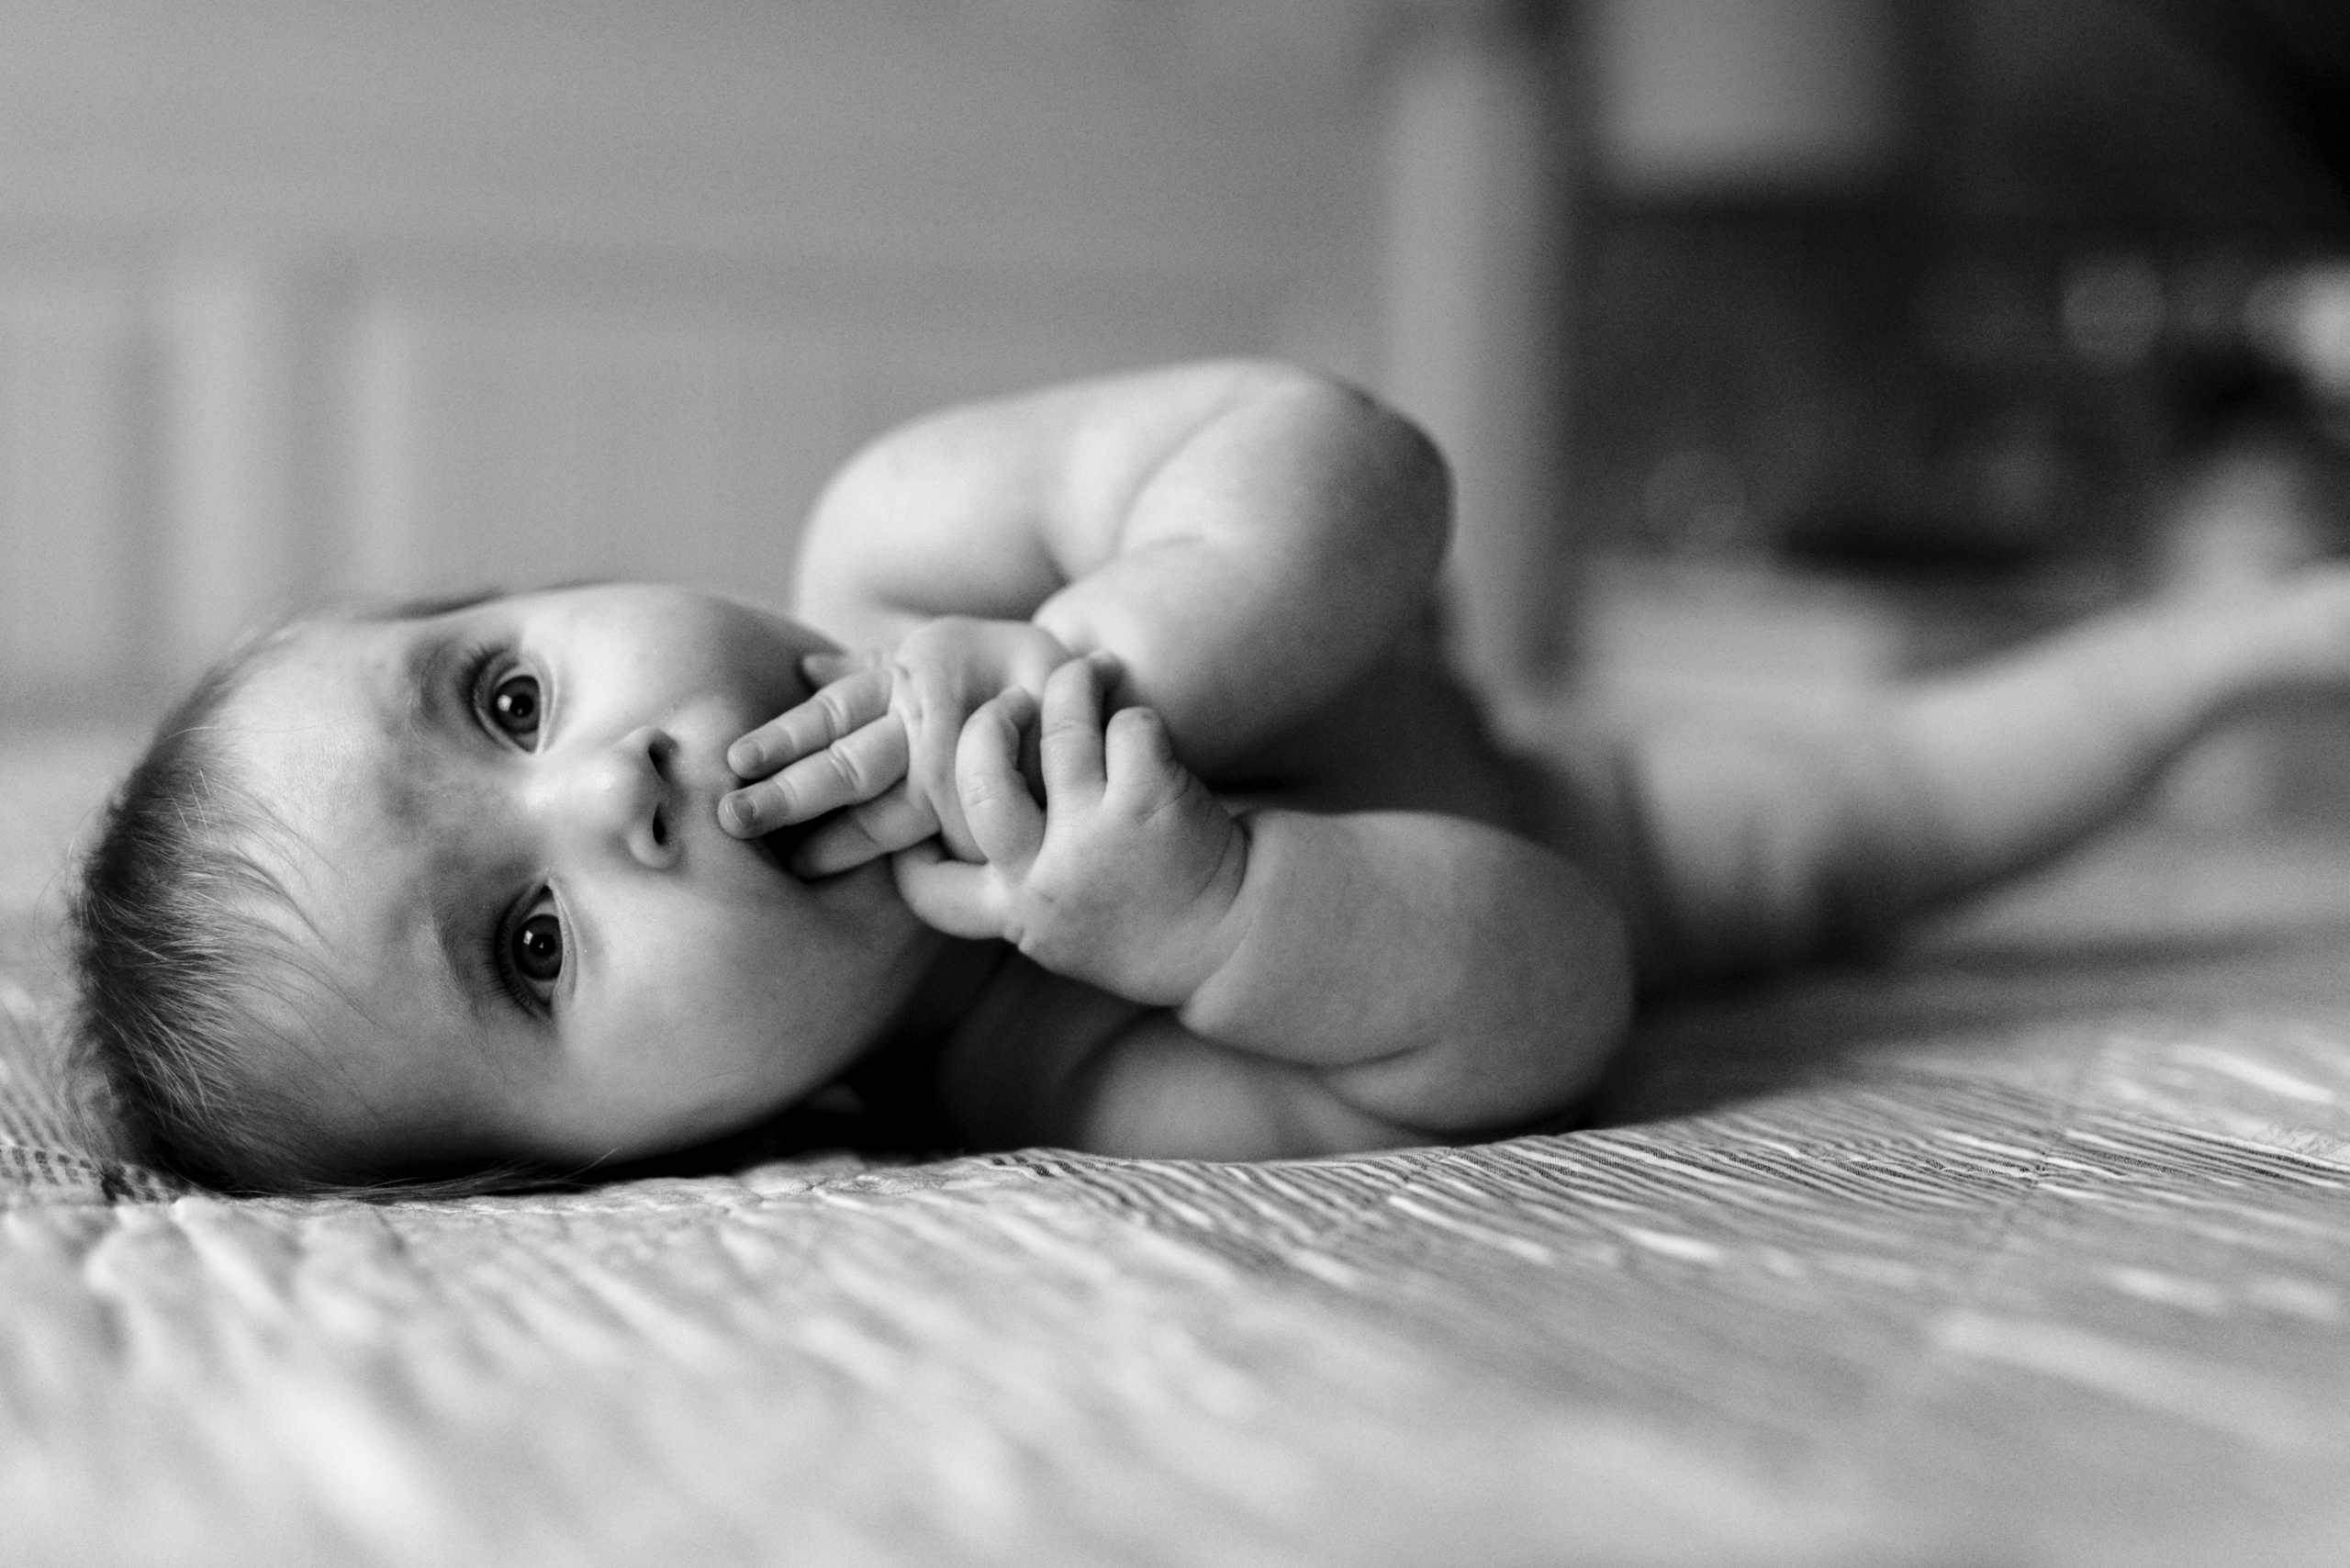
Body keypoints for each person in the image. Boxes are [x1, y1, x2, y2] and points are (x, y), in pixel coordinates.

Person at [67, 360, 2350, 1192]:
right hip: (1635, 836)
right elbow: (1549, 993)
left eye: (503, 701)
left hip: (1467, 677)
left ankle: (2276, 611)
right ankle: (2227, 668)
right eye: (531, 944)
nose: (618, 792)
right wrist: (1204, 906)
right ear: (643, 1158)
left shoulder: (904, 536)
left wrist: (1098, 641)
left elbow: (1355, 462)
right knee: (1896, 792)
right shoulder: (1050, 1053)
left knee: (2038, 681)